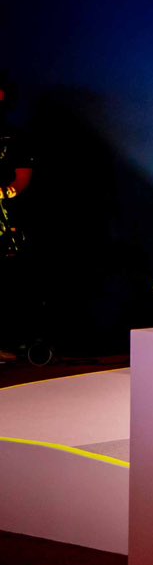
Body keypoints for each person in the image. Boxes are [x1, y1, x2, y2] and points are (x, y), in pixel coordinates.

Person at [0, 73, 32, 366]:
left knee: (7, 284)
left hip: (3, 222)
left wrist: (3, 193)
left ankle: (6, 344)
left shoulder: (14, 137)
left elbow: (22, 179)